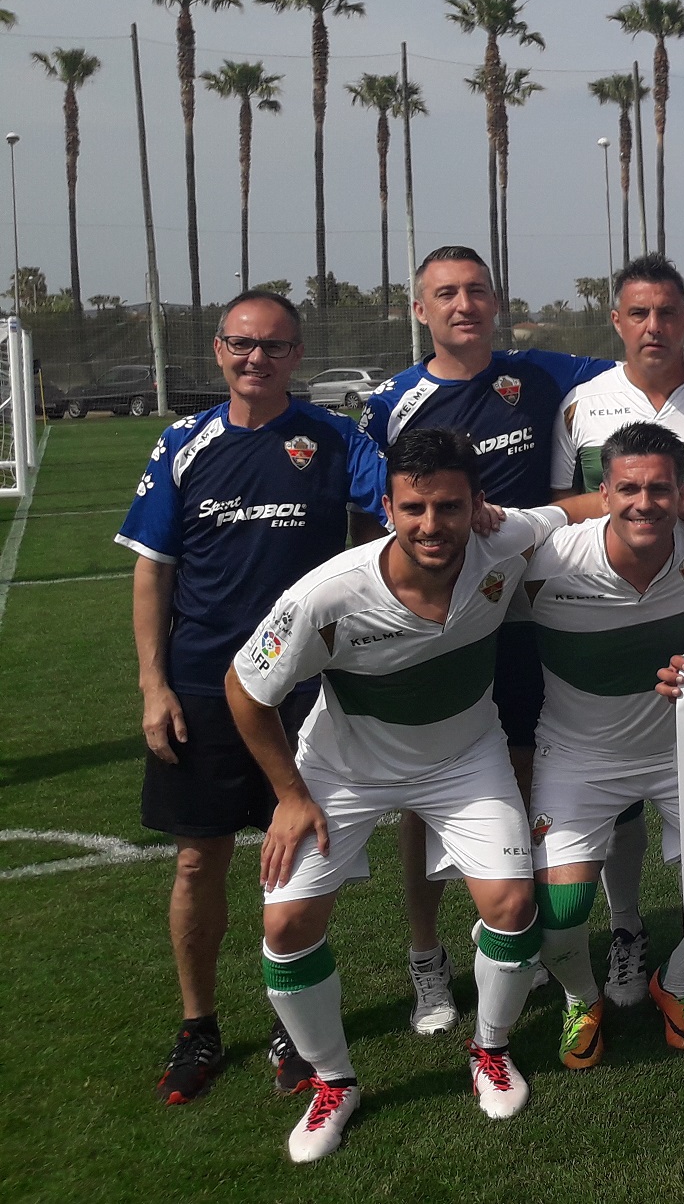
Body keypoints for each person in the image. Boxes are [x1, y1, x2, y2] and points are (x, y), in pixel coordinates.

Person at [359, 245, 684, 1038]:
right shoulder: (391, 403)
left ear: (496, 302)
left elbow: (652, 355)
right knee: (436, 777)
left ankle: (609, 932)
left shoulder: (543, 375)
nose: (463, 305)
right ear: (420, 309)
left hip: (554, 605)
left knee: (551, 767)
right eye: (445, 294)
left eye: (476, 290)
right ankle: (432, 954)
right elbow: (381, 519)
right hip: (487, 600)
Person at [225, 429, 572, 1161]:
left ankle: (490, 1049)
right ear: (387, 508)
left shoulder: (503, 539)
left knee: (513, 907)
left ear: (478, 504)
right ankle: (333, 1081)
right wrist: (290, 795)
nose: (431, 524)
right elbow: (244, 688)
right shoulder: (327, 595)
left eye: (450, 506)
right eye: (413, 508)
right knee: (286, 926)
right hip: (345, 769)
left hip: (465, 757)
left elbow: (582, 506)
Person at [119, 290, 387, 1105]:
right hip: (203, 684)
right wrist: (154, 685)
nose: (255, 358)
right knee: (198, 860)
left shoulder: (337, 440)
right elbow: (153, 571)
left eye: (273, 346)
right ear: (218, 350)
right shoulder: (182, 444)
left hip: (304, 690)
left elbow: (397, 522)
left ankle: (291, 1024)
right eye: (241, 344)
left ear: (296, 355)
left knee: (296, 860)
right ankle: (198, 1025)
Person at [523, 422, 684, 1068]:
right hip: (578, 757)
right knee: (558, 912)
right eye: (627, 489)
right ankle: (581, 997)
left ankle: (674, 983)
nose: (644, 504)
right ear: (603, 493)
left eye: (660, 490)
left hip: (683, 750)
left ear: (683, 492)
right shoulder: (546, 561)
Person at [551, 254, 684, 504]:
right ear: (617, 321)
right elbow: (562, 503)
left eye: (667, 313)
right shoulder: (581, 404)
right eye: (639, 313)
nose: (653, 326)